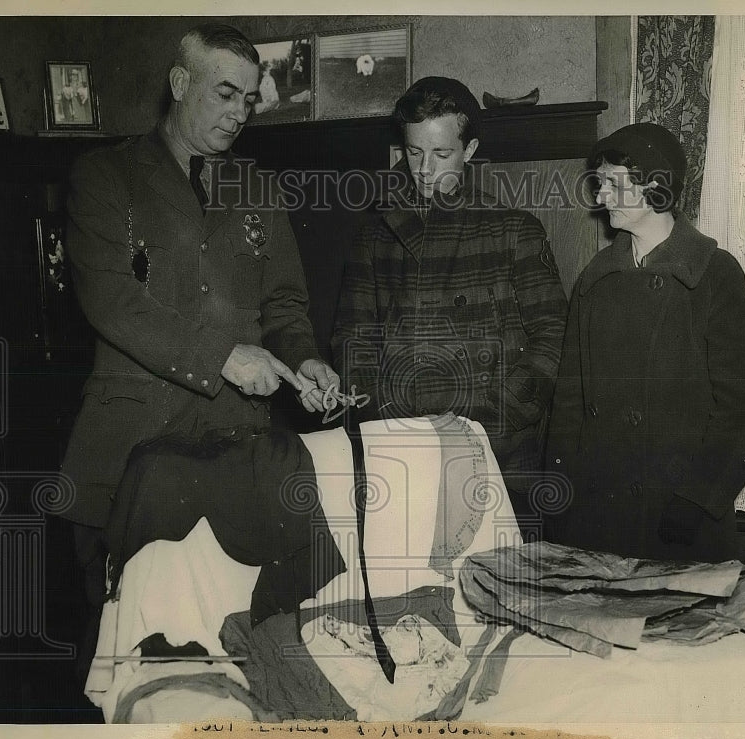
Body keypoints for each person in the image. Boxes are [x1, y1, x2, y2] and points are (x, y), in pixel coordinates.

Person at [61, 24, 340, 603]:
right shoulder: (105, 177)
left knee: (237, 635)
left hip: (236, 456)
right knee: (123, 652)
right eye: (224, 93)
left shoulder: (259, 189)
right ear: (181, 82)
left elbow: (284, 304)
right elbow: (113, 301)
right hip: (128, 453)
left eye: (248, 98)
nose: (240, 113)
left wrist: (305, 359)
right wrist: (224, 358)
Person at [331, 76, 568, 538]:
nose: (423, 169)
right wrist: (382, 417)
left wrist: (489, 415)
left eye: (441, 154)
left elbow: (555, 339)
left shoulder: (513, 230)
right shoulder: (376, 234)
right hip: (402, 454)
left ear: (470, 149)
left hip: (496, 458)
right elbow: (351, 338)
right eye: (414, 152)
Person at [545, 122, 745, 563]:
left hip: (682, 516)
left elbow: (738, 409)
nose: (601, 196)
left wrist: (696, 500)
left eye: (613, 183)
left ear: (656, 187)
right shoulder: (595, 278)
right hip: (598, 517)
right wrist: (558, 496)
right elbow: (569, 403)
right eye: (599, 182)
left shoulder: (714, 275)